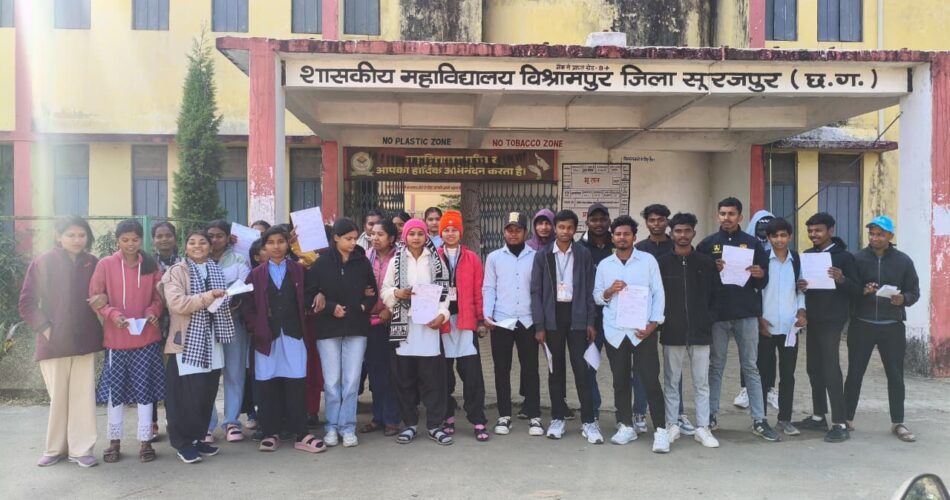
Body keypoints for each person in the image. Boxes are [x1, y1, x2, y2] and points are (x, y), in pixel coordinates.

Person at [18, 217, 103, 468]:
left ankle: (81, 449)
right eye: (71, 235)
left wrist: (103, 298)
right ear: (58, 236)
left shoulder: (93, 263)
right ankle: (55, 449)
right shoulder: (43, 262)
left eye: (81, 235)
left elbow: (105, 292)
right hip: (53, 342)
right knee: (58, 398)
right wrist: (46, 329)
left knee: (83, 397)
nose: (77, 240)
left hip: (85, 340)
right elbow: (26, 303)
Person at [696, 197, 778, 441]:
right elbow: (698, 279)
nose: (727, 218)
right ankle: (710, 415)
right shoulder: (707, 244)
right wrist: (711, 269)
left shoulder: (753, 244)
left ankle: (759, 419)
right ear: (717, 216)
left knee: (751, 366)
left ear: (740, 217)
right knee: (716, 366)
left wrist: (760, 273)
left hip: (746, 313)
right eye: (723, 213)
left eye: (731, 214)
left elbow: (763, 280)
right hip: (718, 315)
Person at [243, 227, 325, 453]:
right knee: (267, 384)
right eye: (270, 242)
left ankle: (301, 433)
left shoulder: (299, 271)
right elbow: (247, 306)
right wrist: (256, 327)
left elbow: (311, 293)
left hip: (293, 335)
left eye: (281, 241)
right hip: (266, 338)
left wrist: (319, 294)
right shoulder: (256, 274)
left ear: (288, 244)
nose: (276, 246)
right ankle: (270, 433)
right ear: (264, 247)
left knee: (296, 382)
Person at [90, 219, 165, 463]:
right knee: (116, 394)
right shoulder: (105, 264)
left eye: (135, 239)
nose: (130, 244)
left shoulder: (151, 265)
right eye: (125, 240)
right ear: (117, 241)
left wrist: (152, 312)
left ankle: (145, 441)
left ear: (141, 240)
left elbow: (159, 297)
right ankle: (114, 442)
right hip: (116, 341)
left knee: (145, 392)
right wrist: (113, 315)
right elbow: (96, 298)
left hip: (146, 339)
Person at [592, 215, 669, 451]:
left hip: (642, 330)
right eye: (618, 234)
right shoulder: (605, 265)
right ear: (612, 237)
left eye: (626, 234)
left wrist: (654, 324)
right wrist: (609, 291)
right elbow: (597, 296)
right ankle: (625, 425)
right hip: (615, 332)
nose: (622, 237)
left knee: (650, 380)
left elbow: (659, 293)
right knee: (620, 380)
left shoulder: (647, 261)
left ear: (634, 237)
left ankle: (661, 430)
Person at [159, 230, 235, 463]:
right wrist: (210, 296)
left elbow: (219, 301)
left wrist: (226, 298)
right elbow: (177, 304)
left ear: (210, 247)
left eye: (203, 242)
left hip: (212, 340)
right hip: (187, 341)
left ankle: (198, 438)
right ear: (185, 247)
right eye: (192, 242)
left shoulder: (215, 269)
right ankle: (183, 443)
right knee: (185, 397)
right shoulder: (177, 271)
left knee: (206, 393)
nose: (197, 246)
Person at [844, 215, 920, 442]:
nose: (875, 238)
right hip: (862, 324)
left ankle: (898, 422)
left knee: (895, 375)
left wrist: (903, 299)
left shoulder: (903, 261)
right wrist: (863, 290)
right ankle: (846, 419)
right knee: (854, 373)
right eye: (872, 234)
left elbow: (914, 292)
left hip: (892, 326)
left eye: (880, 234)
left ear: (890, 236)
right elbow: (849, 289)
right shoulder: (857, 259)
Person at [531, 210, 602, 443]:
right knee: (556, 370)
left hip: (577, 316)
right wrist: (539, 325)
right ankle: (557, 418)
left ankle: (589, 421)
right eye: (561, 227)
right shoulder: (543, 255)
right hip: (552, 318)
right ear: (555, 228)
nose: (565, 231)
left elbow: (590, 289)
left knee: (582, 370)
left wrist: (590, 321)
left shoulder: (583, 254)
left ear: (575, 229)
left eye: (570, 227)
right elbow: (536, 292)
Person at [306, 218, 377, 448]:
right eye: (348, 238)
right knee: (332, 381)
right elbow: (309, 295)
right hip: (328, 330)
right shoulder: (321, 264)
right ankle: (331, 426)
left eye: (355, 238)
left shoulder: (362, 262)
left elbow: (372, 292)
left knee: (352, 380)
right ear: (336, 238)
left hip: (357, 328)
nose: (353, 243)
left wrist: (364, 306)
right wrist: (330, 307)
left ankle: (348, 426)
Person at [382, 218, 453, 445]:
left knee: (432, 379)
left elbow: (444, 293)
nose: (415, 238)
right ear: (405, 237)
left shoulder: (436, 260)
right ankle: (410, 424)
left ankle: (434, 425)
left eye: (420, 234)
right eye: (411, 234)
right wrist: (397, 293)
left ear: (426, 236)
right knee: (405, 379)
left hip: (429, 326)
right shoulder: (396, 261)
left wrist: (442, 315)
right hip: (404, 328)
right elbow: (385, 290)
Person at [657, 212, 721, 450]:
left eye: (687, 231)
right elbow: (656, 296)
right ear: (671, 233)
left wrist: (707, 319)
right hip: (672, 331)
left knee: (701, 382)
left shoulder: (706, 263)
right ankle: (672, 424)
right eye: (678, 231)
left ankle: (702, 427)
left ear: (694, 233)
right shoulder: (662, 263)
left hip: (700, 332)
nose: (682, 235)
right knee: (671, 381)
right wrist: (662, 322)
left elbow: (716, 296)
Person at [795, 212, 860, 443]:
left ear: (830, 230)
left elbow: (857, 290)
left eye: (818, 230)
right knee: (813, 367)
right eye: (810, 231)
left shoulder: (844, 257)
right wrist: (802, 286)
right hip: (813, 319)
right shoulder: (808, 255)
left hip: (833, 320)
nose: (813, 234)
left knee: (831, 368)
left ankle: (840, 422)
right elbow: (806, 287)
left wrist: (842, 279)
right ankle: (818, 416)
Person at [483, 212, 544, 437]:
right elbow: (489, 287)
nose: (513, 234)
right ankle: (504, 415)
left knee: (531, 369)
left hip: (527, 320)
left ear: (525, 232)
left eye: (518, 230)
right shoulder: (494, 258)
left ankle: (534, 415)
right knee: (502, 369)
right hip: (502, 320)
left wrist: (540, 321)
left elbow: (540, 290)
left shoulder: (536, 256)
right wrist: (487, 314)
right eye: (509, 230)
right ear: (504, 232)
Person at [635, 203, 689, 434]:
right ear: (646, 223)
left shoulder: (676, 246)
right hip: (644, 315)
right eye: (652, 220)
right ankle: (639, 411)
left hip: (673, 314)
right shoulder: (639, 248)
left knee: (673, 367)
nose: (656, 224)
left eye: (661, 219)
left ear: (667, 221)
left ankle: (677, 414)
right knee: (641, 367)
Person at [436, 210, 489, 442]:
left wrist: (480, 319)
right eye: (446, 230)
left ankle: (477, 418)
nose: (450, 233)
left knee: (472, 374)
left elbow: (479, 290)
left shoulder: (472, 258)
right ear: (441, 233)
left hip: (466, 322)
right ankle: (447, 415)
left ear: (461, 233)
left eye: (454, 230)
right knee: (443, 374)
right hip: (443, 322)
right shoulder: (434, 257)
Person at [757, 218, 807, 436]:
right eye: (775, 236)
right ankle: (759, 419)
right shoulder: (761, 259)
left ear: (790, 236)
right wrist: (758, 318)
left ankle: (784, 419)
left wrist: (802, 312)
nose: (779, 240)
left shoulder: (797, 260)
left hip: (789, 327)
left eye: (783, 235)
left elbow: (801, 289)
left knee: (788, 374)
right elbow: (755, 290)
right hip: (765, 326)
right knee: (763, 373)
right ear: (768, 238)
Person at [205, 220, 251, 443]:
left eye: (219, 236)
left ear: (228, 238)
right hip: (205, 324)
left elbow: (243, 286)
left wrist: (233, 300)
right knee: (208, 375)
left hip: (233, 321)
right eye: (211, 236)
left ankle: (232, 421)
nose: (215, 240)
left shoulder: (238, 259)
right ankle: (207, 424)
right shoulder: (198, 260)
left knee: (234, 372)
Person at [361, 219, 401, 436]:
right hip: (371, 322)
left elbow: (406, 288)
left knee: (393, 371)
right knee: (376, 371)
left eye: (380, 234)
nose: (375, 238)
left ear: (391, 238)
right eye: (373, 234)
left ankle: (392, 418)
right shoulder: (365, 257)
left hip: (394, 321)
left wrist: (390, 310)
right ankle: (378, 417)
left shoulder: (400, 259)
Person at [737, 209, 778, 411]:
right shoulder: (746, 248)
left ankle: (769, 388)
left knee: (769, 353)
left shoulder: (779, 253)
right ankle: (746, 388)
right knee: (748, 352)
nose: (763, 232)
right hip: (750, 307)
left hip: (771, 308)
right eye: (760, 228)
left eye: (768, 229)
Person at [579, 203, 613, 423]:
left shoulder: (618, 243)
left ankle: (625, 414)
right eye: (594, 219)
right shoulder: (579, 249)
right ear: (587, 222)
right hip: (590, 319)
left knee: (621, 368)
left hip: (617, 318)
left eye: (602, 219)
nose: (599, 223)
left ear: (609, 221)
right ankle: (593, 410)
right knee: (589, 366)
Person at [149, 220, 180, 441]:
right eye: (159, 236)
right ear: (153, 240)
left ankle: (174, 419)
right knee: (152, 374)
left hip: (178, 326)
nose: (164, 239)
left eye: (168, 235)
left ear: (175, 238)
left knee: (174, 377)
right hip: (153, 326)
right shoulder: (147, 264)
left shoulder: (183, 262)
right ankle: (151, 422)